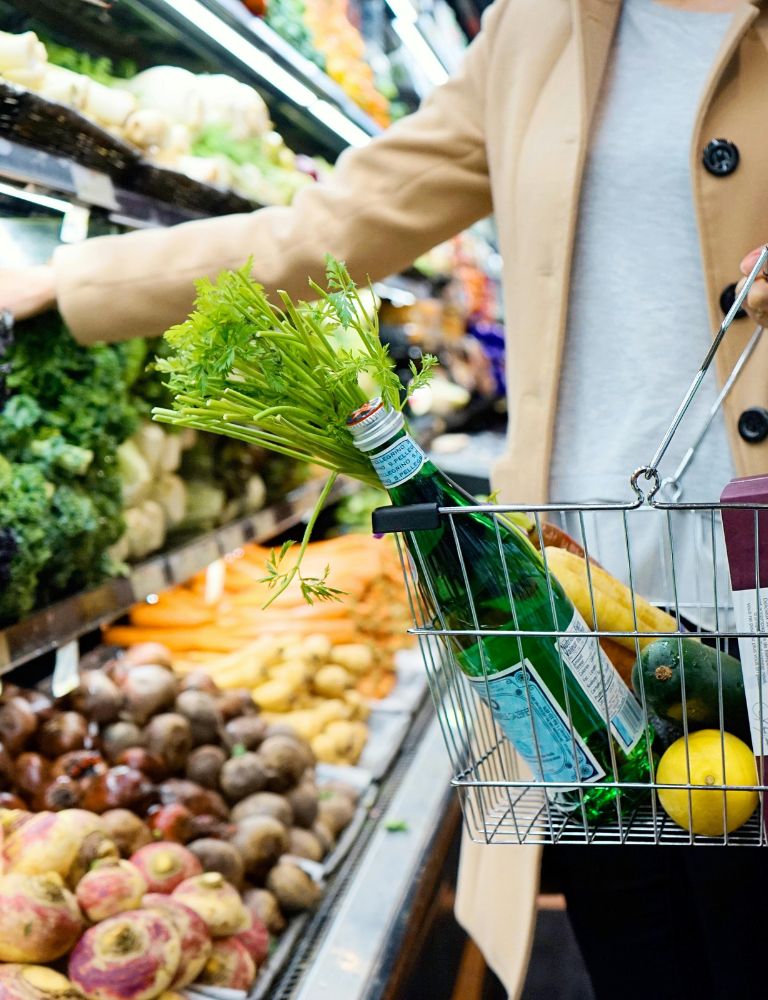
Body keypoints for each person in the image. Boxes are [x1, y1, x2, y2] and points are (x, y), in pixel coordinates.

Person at [3, 0, 768, 995]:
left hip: (750, 594)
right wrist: (70, 277)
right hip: (580, 630)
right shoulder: (538, 33)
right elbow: (331, 227)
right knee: (647, 956)